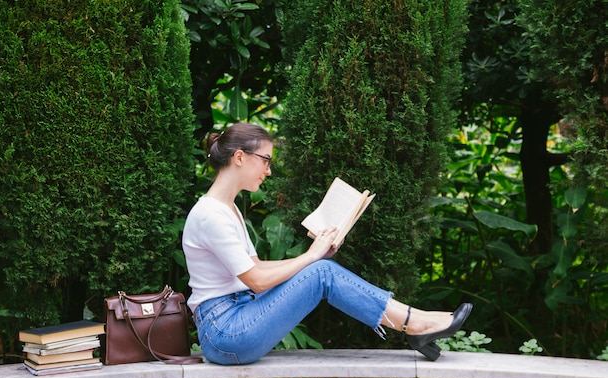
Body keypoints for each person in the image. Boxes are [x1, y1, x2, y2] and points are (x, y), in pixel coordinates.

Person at [182, 122, 472, 365]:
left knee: (321, 267)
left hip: (236, 319)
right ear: (240, 157)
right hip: (225, 333)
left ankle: (415, 321)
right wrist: (311, 256)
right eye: (266, 160)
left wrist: (319, 253)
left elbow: (255, 267)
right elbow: (257, 281)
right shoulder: (211, 215)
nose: (268, 170)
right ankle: (415, 324)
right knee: (321, 271)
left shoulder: (227, 209)